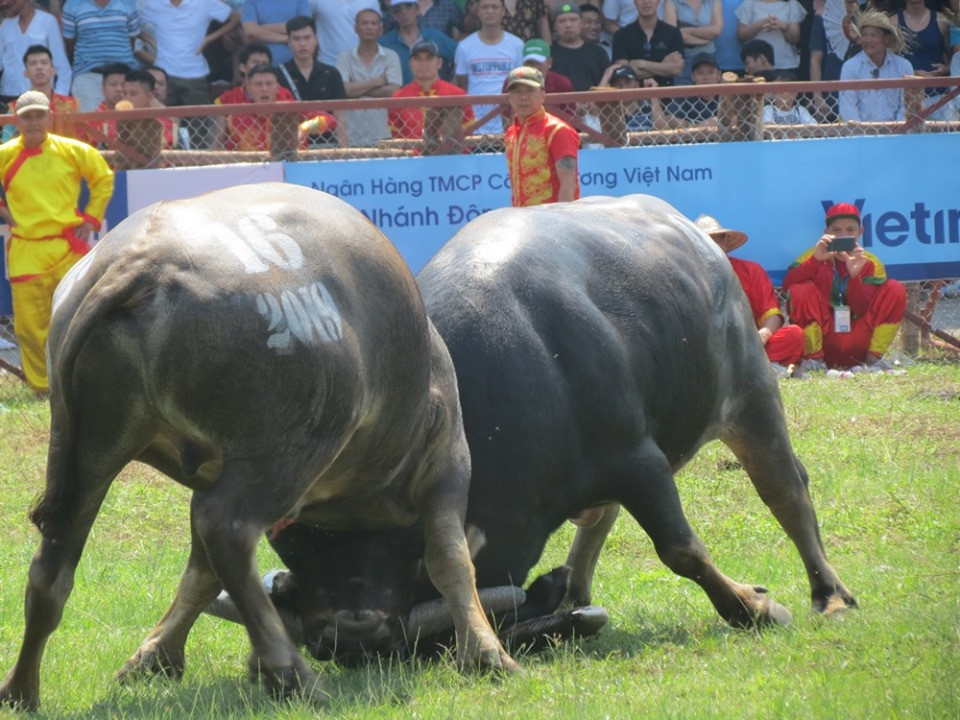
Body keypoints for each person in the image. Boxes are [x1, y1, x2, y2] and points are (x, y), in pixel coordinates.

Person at [0, 90, 114, 393]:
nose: (34, 122)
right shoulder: (6, 154)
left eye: (39, 115)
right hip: (27, 251)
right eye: (27, 117)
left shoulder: (72, 150)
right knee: (29, 327)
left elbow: (103, 177)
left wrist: (91, 219)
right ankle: (42, 390)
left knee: (81, 319)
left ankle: (86, 384)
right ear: (17, 120)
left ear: (49, 116)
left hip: (68, 251)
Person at [783, 202, 906, 371]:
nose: (843, 235)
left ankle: (873, 361)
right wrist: (815, 261)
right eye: (836, 230)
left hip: (859, 337)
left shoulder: (870, 262)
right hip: (823, 336)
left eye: (850, 230)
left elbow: (861, 308)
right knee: (800, 289)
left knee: (895, 288)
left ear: (860, 233)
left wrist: (855, 277)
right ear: (826, 233)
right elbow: (787, 287)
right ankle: (813, 362)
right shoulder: (813, 254)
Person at [695, 214, 805, 375]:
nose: (709, 246)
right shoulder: (687, 276)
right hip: (709, 349)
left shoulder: (751, 271)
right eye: (702, 242)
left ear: (725, 242)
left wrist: (762, 335)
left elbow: (772, 315)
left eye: (715, 240)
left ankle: (735, 370)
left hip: (751, 345)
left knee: (794, 335)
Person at [138, 0, 240, 147]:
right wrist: (151, 40)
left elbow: (236, 17)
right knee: (162, 121)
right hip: (165, 75)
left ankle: (196, 163)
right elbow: (132, 23)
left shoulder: (204, 3)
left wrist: (209, 38)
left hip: (195, 75)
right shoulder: (154, 4)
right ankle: (164, 159)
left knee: (198, 126)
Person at [503, 65, 580, 206]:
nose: (523, 97)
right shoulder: (511, 132)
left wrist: (560, 221)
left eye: (530, 91)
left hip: (550, 220)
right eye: (517, 92)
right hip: (521, 220)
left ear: (543, 95)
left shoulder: (557, 130)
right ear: (509, 97)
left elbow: (568, 183)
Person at [454, 0, 524, 134]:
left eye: (495, 7)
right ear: (478, 11)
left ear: (503, 11)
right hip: (475, 125)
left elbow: (519, 83)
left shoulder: (517, 45)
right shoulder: (464, 47)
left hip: (509, 124)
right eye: (485, 7)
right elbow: (463, 86)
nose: (490, 11)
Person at [336, 8, 403, 146]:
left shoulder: (391, 56)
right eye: (364, 23)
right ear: (356, 28)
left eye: (374, 23)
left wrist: (356, 89)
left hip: (385, 135)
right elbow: (343, 90)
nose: (369, 27)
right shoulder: (344, 57)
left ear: (381, 29)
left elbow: (394, 92)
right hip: (352, 136)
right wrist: (377, 82)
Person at [61, 0, 140, 111]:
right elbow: (70, 43)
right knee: (89, 125)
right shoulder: (72, 5)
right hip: (88, 76)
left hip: (125, 76)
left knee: (128, 124)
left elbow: (132, 38)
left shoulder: (128, 3)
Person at [388, 38, 474, 139]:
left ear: (439, 63)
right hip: (410, 154)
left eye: (429, 58)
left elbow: (469, 135)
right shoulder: (398, 98)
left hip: (450, 154)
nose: (423, 63)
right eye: (418, 58)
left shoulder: (458, 94)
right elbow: (395, 138)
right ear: (411, 64)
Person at [277, 16, 345, 144]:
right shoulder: (277, 75)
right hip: (291, 145)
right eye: (296, 39)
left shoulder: (331, 74)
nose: (302, 44)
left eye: (307, 38)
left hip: (327, 144)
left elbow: (340, 116)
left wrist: (344, 151)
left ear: (316, 40)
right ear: (288, 42)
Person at [838, 9, 914, 122]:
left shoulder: (903, 66)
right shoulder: (850, 67)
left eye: (873, 35)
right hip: (861, 133)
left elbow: (907, 105)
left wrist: (897, 130)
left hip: (897, 133)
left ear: (886, 39)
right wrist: (862, 133)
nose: (868, 40)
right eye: (864, 35)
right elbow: (848, 107)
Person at [0, 0, 71, 102]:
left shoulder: (48, 22)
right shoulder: (5, 26)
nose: (6, 3)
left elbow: (62, 67)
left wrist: (59, 97)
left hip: (41, 97)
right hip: (8, 95)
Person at [215, 63, 296, 151]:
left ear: (277, 88)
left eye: (269, 84)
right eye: (258, 84)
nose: (264, 89)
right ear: (249, 88)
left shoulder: (291, 110)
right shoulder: (236, 119)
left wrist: (303, 129)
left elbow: (313, 117)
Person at [380, 0, 458, 85]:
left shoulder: (435, 36)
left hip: (434, 96)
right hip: (401, 96)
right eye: (397, 9)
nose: (404, 12)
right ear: (393, 15)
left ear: (417, 9)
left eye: (409, 6)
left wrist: (452, 85)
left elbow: (464, 56)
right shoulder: (384, 43)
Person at [612, 0, 685, 86]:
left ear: (659, 2)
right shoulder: (621, 35)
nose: (646, 1)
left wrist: (642, 64)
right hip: (633, 96)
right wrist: (663, 66)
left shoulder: (673, 33)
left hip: (665, 94)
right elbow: (623, 73)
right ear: (634, 2)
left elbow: (676, 69)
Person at [550, 2, 612, 91]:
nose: (568, 25)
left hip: (594, 103)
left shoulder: (598, 52)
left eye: (573, 20)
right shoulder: (549, 55)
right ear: (555, 26)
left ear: (581, 23)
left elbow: (608, 85)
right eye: (562, 21)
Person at [649, 51, 720, 128]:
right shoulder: (685, 98)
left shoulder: (725, 97)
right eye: (700, 73)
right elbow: (669, 120)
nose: (706, 77)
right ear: (693, 77)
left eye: (710, 72)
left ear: (719, 75)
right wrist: (697, 127)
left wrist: (717, 121)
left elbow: (733, 118)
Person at [660, 0, 723, 85]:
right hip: (683, 60)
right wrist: (705, 38)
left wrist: (684, 31)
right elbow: (672, 36)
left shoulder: (714, 1)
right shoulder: (671, 2)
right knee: (683, 96)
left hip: (709, 59)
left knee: (708, 95)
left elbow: (716, 31)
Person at [735, 0, 806, 71]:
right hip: (758, 67)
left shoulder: (792, 3)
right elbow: (741, 36)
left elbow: (795, 39)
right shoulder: (750, 3)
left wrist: (783, 26)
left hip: (786, 65)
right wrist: (759, 25)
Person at [309, 0, 381, 66]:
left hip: (363, 65)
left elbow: (377, 29)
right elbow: (304, 26)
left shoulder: (371, 1)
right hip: (327, 63)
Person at [241, 0, 312, 66]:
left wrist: (258, 29)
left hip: (294, 67)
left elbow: (303, 26)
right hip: (261, 68)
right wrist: (286, 38)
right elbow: (250, 31)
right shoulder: (251, 1)